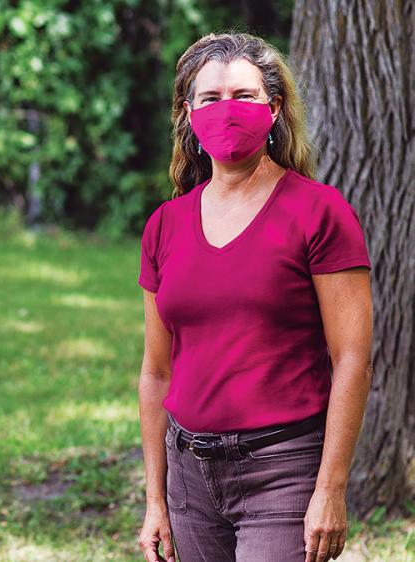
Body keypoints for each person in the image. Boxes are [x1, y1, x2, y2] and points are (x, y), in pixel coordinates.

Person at [135, 32, 373, 562]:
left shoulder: (320, 213)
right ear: (188, 115)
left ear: (274, 107)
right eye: (211, 99)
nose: (228, 111)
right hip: (189, 479)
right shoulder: (164, 226)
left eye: (243, 96)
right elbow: (156, 372)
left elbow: (353, 359)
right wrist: (156, 499)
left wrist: (330, 490)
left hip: (282, 472)